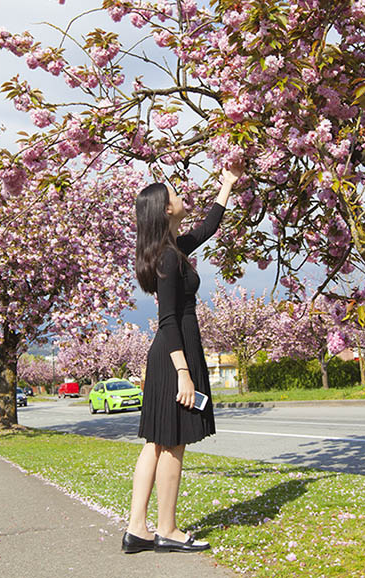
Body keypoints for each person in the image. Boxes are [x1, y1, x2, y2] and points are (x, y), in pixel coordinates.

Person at [122, 165, 243, 555]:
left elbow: (207, 228)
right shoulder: (170, 260)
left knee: (156, 443)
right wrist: (184, 374)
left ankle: (137, 528)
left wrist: (227, 184)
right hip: (176, 355)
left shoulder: (170, 251)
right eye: (175, 194)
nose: (181, 196)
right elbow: (168, 319)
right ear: (166, 209)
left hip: (166, 355)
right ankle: (167, 530)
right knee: (172, 444)